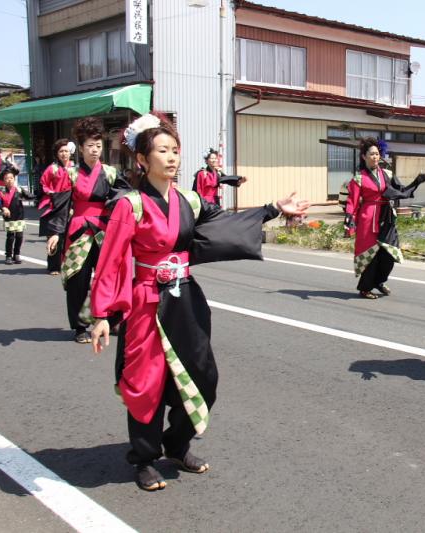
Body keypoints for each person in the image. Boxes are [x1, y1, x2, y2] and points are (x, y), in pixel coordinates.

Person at [89, 113, 308, 492]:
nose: (172, 157)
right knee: (146, 383)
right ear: (142, 159)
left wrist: (272, 209)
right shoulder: (131, 205)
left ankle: (176, 445)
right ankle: (144, 458)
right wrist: (103, 314)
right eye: (162, 150)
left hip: (186, 299)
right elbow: (111, 260)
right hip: (146, 303)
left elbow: (224, 225)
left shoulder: (189, 200)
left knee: (203, 377)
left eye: (175, 150)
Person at [41, 118, 130, 343]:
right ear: (80, 148)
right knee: (78, 279)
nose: (95, 150)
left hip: (104, 230)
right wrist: (55, 232)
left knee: (109, 276)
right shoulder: (70, 174)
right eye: (90, 145)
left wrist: (113, 201)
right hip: (79, 231)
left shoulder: (110, 173)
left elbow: (126, 196)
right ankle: (80, 326)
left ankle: (110, 318)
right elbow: (61, 205)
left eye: (98, 146)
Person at [343, 138, 425, 299]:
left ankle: (379, 281)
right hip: (368, 218)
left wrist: (418, 181)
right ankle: (365, 288)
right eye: (371, 154)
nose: (375, 157)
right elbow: (351, 202)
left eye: (377, 154)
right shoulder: (359, 178)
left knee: (389, 253)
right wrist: (349, 219)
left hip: (386, 217)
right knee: (371, 255)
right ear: (364, 156)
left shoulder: (387, 174)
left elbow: (401, 191)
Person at [38, 139, 74, 275]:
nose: (64, 154)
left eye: (66, 151)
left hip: (70, 204)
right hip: (56, 204)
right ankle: (53, 266)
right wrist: (51, 193)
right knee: (54, 234)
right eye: (61, 151)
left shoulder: (75, 168)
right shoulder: (52, 168)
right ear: (57, 154)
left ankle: (68, 263)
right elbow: (43, 184)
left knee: (69, 236)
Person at [0, 168, 27, 265]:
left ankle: (16, 254)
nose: (9, 180)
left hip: (19, 216)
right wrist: (3, 208)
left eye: (11, 178)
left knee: (19, 236)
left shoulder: (19, 189)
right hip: (9, 216)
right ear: (3, 180)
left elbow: (29, 196)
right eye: (6, 178)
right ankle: (8, 256)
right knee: (10, 237)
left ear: (14, 179)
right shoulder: (1, 192)